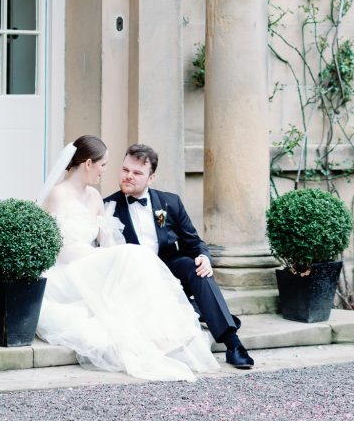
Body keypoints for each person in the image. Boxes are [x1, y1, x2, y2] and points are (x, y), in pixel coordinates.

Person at [35, 134, 220, 382]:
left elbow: (107, 243)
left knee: (133, 257)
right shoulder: (58, 195)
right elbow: (52, 247)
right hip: (66, 272)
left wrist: (112, 256)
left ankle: (164, 334)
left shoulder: (95, 198)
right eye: (103, 166)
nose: (104, 172)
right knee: (134, 254)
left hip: (91, 266)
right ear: (88, 164)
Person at [104, 143, 254, 369]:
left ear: (151, 178)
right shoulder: (109, 206)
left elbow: (194, 242)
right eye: (125, 170)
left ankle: (233, 344)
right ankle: (199, 309)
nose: (128, 176)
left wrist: (204, 256)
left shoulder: (170, 203)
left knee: (197, 268)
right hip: (133, 278)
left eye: (137, 173)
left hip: (168, 268)